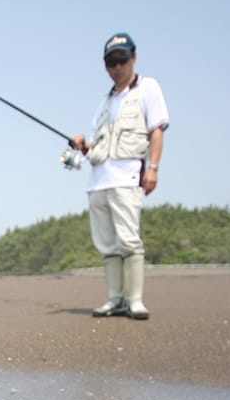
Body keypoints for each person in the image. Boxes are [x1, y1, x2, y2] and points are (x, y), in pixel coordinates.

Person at [71, 33, 169, 320]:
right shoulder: (104, 103)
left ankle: (135, 301)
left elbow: (157, 130)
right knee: (106, 243)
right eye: (111, 62)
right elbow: (95, 147)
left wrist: (153, 168)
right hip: (99, 181)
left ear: (133, 58)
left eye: (122, 60)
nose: (117, 67)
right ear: (105, 66)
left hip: (126, 178)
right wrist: (82, 144)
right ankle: (115, 299)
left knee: (129, 240)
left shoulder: (147, 88)